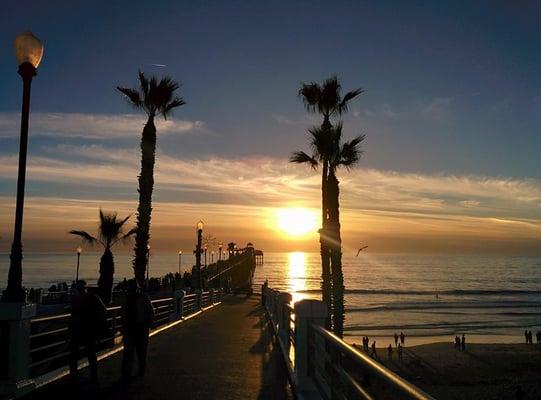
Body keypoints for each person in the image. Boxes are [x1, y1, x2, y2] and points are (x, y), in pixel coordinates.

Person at [69, 280, 107, 382]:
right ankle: (93, 375)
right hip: (88, 330)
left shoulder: (76, 299)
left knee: (74, 354)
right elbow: (103, 310)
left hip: (79, 330)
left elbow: (73, 313)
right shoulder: (93, 297)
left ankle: (74, 375)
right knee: (90, 353)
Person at [122, 279, 155, 380]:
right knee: (129, 352)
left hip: (141, 328)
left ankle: (140, 370)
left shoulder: (143, 298)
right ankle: (127, 373)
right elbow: (123, 312)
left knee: (141, 352)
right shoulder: (127, 298)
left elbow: (151, 313)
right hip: (130, 328)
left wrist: (147, 325)